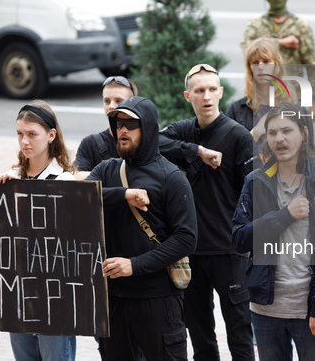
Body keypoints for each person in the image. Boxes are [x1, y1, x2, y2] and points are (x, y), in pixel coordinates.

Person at [231, 101, 315, 360]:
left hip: (309, 312)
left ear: (303, 133)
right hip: (264, 310)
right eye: (272, 133)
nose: (279, 138)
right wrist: (284, 216)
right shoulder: (255, 181)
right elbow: (239, 239)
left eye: (287, 130)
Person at [86, 96, 198, 361]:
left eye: (130, 124)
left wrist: (134, 265)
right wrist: (123, 194)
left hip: (157, 299)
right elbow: (77, 197)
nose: (122, 130)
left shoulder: (171, 177)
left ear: (147, 128)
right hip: (113, 299)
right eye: (117, 124)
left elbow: (186, 238)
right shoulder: (106, 169)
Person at [160, 64, 255, 360]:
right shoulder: (182, 131)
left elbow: (252, 194)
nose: (207, 96)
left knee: (240, 335)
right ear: (188, 96)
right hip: (190, 251)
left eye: (212, 89)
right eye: (199, 91)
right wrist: (198, 152)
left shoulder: (239, 136)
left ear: (221, 92)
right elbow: (154, 141)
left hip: (229, 251)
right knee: (200, 337)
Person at [0, 100, 77, 361]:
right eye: (19, 134)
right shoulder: (12, 177)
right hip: (17, 292)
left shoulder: (64, 180)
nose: (24, 141)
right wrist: (1, 191)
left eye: (32, 134)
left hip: (54, 297)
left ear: (51, 135)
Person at [74, 76, 220, 180]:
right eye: (107, 100)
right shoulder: (90, 144)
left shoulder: (147, 144)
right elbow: (75, 177)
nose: (111, 106)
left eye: (119, 101)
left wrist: (198, 151)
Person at [240, 0, 315, 117]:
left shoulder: (300, 26)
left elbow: (313, 65)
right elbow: (247, 49)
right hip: (261, 95)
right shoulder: (255, 25)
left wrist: (314, 100)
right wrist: (281, 43)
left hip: (293, 94)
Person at [227, 37, 315, 162]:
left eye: (266, 61)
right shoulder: (237, 110)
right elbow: (229, 157)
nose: (261, 67)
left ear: (276, 65)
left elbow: (310, 155)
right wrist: (255, 133)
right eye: (255, 62)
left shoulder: (296, 109)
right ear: (249, 68)